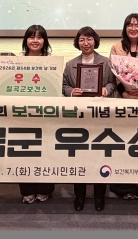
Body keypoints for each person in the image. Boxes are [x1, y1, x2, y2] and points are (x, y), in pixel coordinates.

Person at [62, 26, 116, 212]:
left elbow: (113, 83)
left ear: (95, 41)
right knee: (79, 156)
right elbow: (64, 86)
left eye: (89, 39)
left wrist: (106, 90)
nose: (86, 43)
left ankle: (99, 195)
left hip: (100, 116)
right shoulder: (70, 64)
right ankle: (80, 195)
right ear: (77, 42)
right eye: (82, 40)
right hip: (79, 117)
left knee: (100, 155)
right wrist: (71, 92)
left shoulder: (106, 62)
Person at [108, 13, 138, 201]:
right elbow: (114, 75)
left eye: (137, 25)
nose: (133, 28)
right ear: (125, 28)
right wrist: (125, 93)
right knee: (123, 142)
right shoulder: (116, 48)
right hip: (123, 101)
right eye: (130, 24)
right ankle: (123, 187)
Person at [18, 25, 55, 204]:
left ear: (44, 41)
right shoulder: (17, 60)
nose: (35, 41)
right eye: (31, 37)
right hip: (22, 115)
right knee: (24, 151)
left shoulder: (52, 61)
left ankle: (44, 189)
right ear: (26, 40)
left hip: (45, 114)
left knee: (45, 152)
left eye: (39, 37)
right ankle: (27, 190)